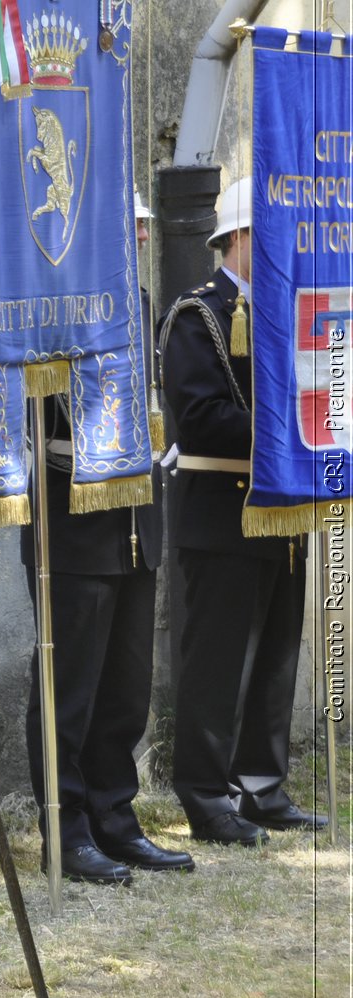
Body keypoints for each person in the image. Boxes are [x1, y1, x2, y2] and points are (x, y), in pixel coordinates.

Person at [19, 190, 193, 885]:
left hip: (135, 518)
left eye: (145, 228)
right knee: (69, 688)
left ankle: (116, 820)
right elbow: (36, 411)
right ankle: (65, 830)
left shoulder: (142, 301)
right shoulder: (49, 300)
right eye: (132, 226)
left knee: (125, 689)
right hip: (74, 518)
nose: (142, 238)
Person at [162, 179, 325, 844]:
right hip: (223, 514)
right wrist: (287, 429)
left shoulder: (290, 309)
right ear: (236, 238)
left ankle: (262, 784)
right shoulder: (195, 315)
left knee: (277, 656)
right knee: (217, 662)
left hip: (282, 514)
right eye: (268, 233)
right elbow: (200, 417)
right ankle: (206, 794)